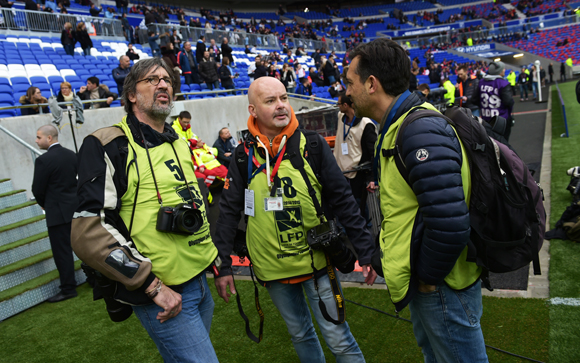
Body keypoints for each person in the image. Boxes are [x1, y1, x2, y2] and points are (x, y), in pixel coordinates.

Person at [213, 76, 377, 363]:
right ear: (253, 110)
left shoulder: (312, 145)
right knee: (300, 335)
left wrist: (366, 252)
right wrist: (224, 266)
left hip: (318, 264)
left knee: (339, 339)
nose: (281, 106)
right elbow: (227, 211)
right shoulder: (242, 156)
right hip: (272, 270)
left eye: (284, 98)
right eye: (271, 101)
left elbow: (343, 200)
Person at [344, 38, 487, 363]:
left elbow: (449, 223)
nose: (347, 92)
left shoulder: (418, 130)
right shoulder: (399, 126)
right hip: (433, 284)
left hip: (441, 286)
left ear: (371, 83)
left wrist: (426, 279)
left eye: (350, 83)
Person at [71, 58, 220, 363]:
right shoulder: (108, 144)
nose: (164, 84)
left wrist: (215, 259)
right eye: (152, 80)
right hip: (163, 292)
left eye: (167, 79)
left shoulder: (178, 140)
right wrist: (150, 285)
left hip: (199, 282)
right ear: (131, 95)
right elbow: (87, 231)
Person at [32, 125, 78, 303]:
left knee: (62, 252)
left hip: (57, 213)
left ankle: (68, 289)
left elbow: (37, 189)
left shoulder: (43, 160)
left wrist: (45, 205)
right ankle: (94, 279)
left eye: (38, 137)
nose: (36, 141)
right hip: (75, 208)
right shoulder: (71, 154)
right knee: (83, 246)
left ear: (49, 138)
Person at [333, 91, 377, 225]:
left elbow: (372, 152)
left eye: (339, 104)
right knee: (344, 204)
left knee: (359, 205)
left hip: (357, 172)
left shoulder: (366, 124)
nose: (338, 106)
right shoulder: (341, 116)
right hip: (341, 171)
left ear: (346, 105)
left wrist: (371, 178)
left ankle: (365, 230)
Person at [472, 61, 514, 140]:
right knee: (503, 144)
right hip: (501, 119)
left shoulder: (481, 82)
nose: (504, 70)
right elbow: (508, 102)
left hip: (486, 119)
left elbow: (474, 100)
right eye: (503, 69)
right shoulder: (503, 83)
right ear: (499, 71)